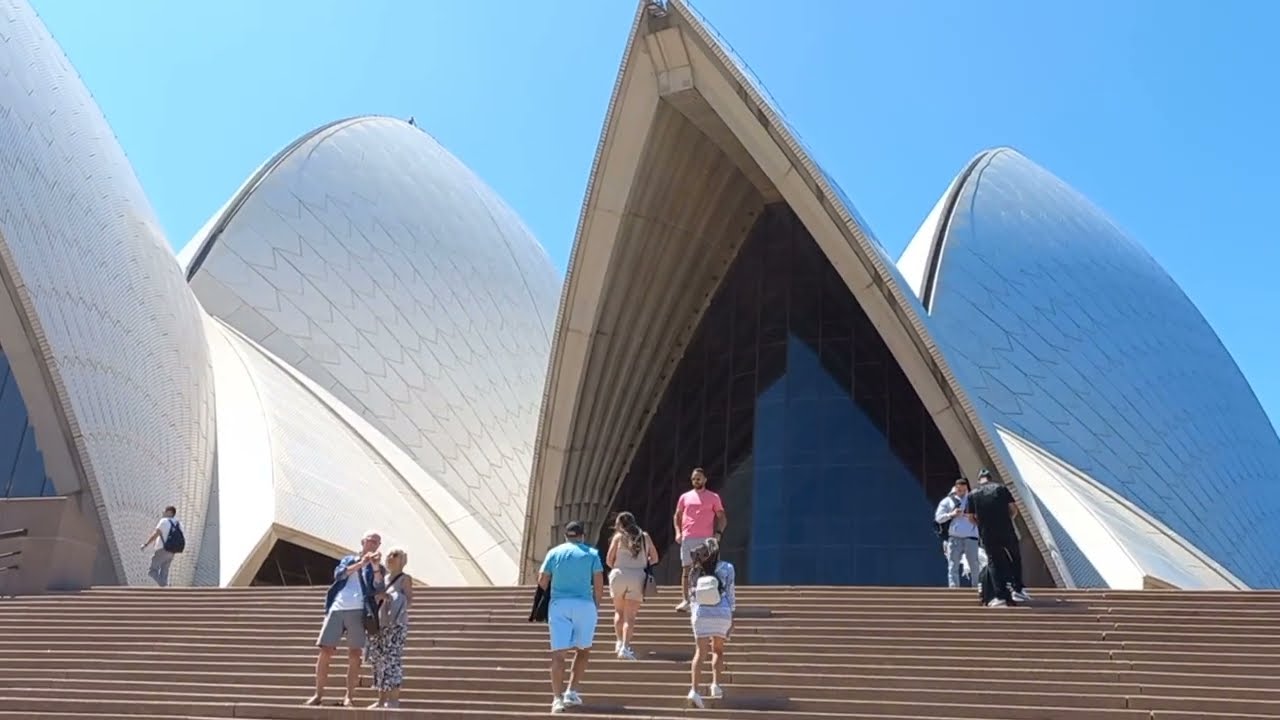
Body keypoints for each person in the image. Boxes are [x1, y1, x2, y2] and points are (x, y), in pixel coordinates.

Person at [306, 530, 382, 707]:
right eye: (370, 541)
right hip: (338, 607)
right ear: (363, 542)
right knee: (325, 650)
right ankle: (318, 694)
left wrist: (375, 567)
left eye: (376, 542)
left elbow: (378, 586)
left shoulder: (378, 566)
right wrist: (361, 563)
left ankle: (349, 696)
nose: (373, 544)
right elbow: (339, 575)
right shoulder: (349, 559)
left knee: (355, 653)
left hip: (359, 609)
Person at [538, 520, 605, 714]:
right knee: (583, 649)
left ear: (565, 536)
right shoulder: (591, 554)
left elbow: (542, 580)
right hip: (584, 605)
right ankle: (572, 691)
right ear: (582, 536)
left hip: (559, 605)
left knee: (558, 654)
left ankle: (556, 699)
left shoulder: (554, 553)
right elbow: (598, 583)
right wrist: (596, 604)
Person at [967, 470, 1030, 606]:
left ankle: (1000, 595)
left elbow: (970, 517)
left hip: (987, 533)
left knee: (994, 562)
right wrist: (1007, 520)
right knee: (1015, 557)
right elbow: (1013, 509)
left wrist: (981, 525)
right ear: (990, 478)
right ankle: (1018, 589)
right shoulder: (1001, 488)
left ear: (979, 480)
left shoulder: (973, 494)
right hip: (1006, 530)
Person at [684, 538, 735, 708]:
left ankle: (694, 690)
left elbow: (692, 596)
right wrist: (732, 615)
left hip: (702, 613)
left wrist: (694, 614)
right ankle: (716, 685)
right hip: (722, 612)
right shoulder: (727, 567)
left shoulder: (695, 569)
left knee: (700, 652)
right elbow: (730, 593)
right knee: (718, 650)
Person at [605, 511, 659, 660]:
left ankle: (618, 641)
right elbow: (655, 558)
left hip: (619, 574)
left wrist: (619, 566)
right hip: (638, 576)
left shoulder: (618, 537)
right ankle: (625, 647)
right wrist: (643, 562)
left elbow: (609, 560)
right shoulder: (644, 537)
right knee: (630, 617)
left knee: (619, 611)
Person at [673, 467, 726, 612]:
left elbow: (722, 517)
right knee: (687, 569)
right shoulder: (685, 497)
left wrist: (718, 533)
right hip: (688, 537)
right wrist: (678, 532)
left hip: (706, 539)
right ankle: (686, 600)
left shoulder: (713, 497)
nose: (696, 481)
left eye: (698, 478)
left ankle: (708, 599)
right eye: (693, 479)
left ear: (705, 479)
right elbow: (677, 515)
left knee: (707, 569)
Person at [366, 547, 413, 709]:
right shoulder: (383, 578)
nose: (391, 558)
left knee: (392, 660)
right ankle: (381, 699)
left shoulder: (404, 579)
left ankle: (393, 699)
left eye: (395, 555)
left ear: (402, 560)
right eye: (389, 555)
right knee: (379, 660)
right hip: (380, 624)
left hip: (396, 624)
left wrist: (391, 597)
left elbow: (408, 600)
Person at [934, 478, 981, 588]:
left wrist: (971, 516)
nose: (962, 493)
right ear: (955, 488)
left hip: (971, 536)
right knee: (953, 564)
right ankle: (954, 588)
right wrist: (951, 514)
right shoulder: (947, 501)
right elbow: (938, 518)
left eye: (964, 490)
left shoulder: (974, 499)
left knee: (974, 564)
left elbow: (983, 515)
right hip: (955, 537)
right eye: (960, 490)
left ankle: (976, 587)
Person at [138, 506, 183, 587]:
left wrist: (146, 544)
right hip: (172, 551)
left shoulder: (164, 521)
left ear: (170, 512)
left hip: (162, 549)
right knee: (165, 571)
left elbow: (156, 534)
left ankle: (164, 585)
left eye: (165, 511)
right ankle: (165, 589)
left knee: (152, 571)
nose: (163, 512)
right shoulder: (178, 523)